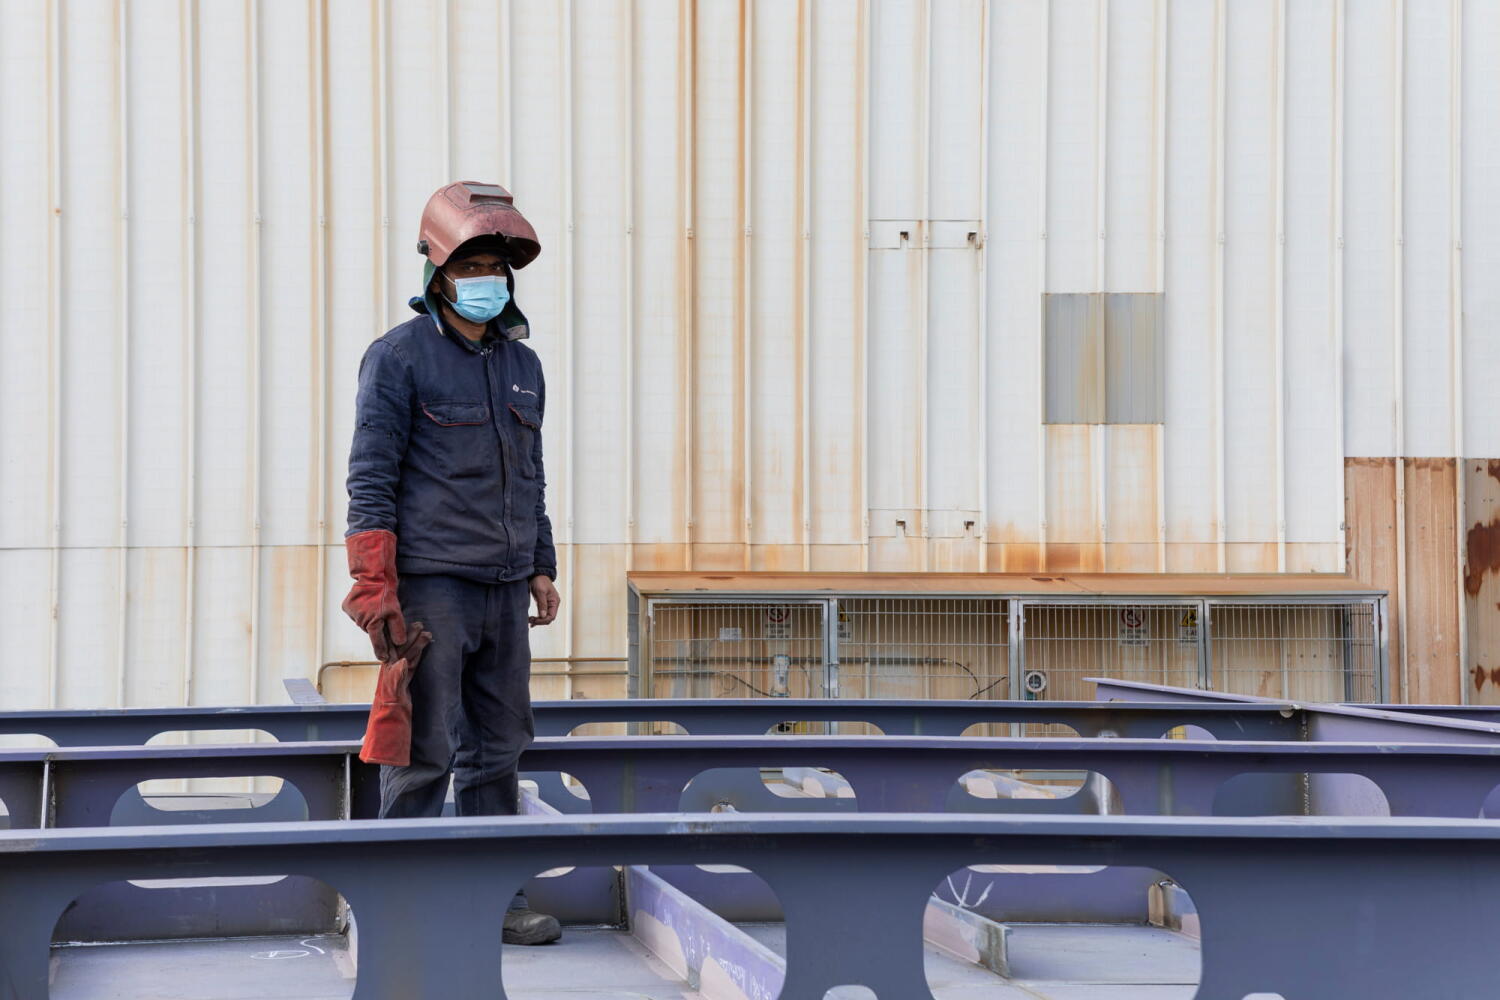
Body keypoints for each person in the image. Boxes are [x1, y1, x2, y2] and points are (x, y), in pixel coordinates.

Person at [342, 181, 563, 945]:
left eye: (499, 266)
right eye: (473, 265)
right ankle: (397, 905)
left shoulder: (523, 365)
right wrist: (376, 587)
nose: (487, 280)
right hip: (433, 588)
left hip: (504, 590)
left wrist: (541, 564)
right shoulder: (398, 360)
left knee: (498, 751)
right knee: (423, 747)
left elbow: (530, 473)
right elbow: (370, 478)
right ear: (437, 271)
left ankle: (494, 901)